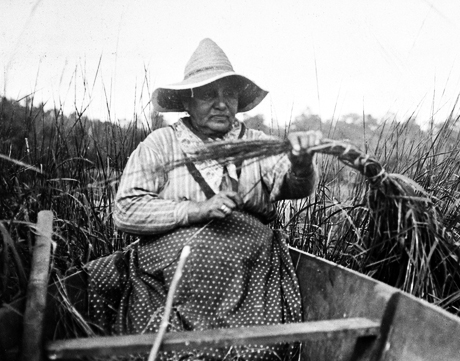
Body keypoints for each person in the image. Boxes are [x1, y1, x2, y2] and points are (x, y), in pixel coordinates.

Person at [86, 38, 321, 360]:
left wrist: (302, 162)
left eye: (229, 94)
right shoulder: (161, 144)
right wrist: (196, 209)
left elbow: (294, 187)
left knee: (252, 350)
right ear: (188, 101)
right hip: (172, 273)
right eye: (209, 94)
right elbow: (127, 211)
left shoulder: (259, 144)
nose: (222, 103)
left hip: (248, 268)